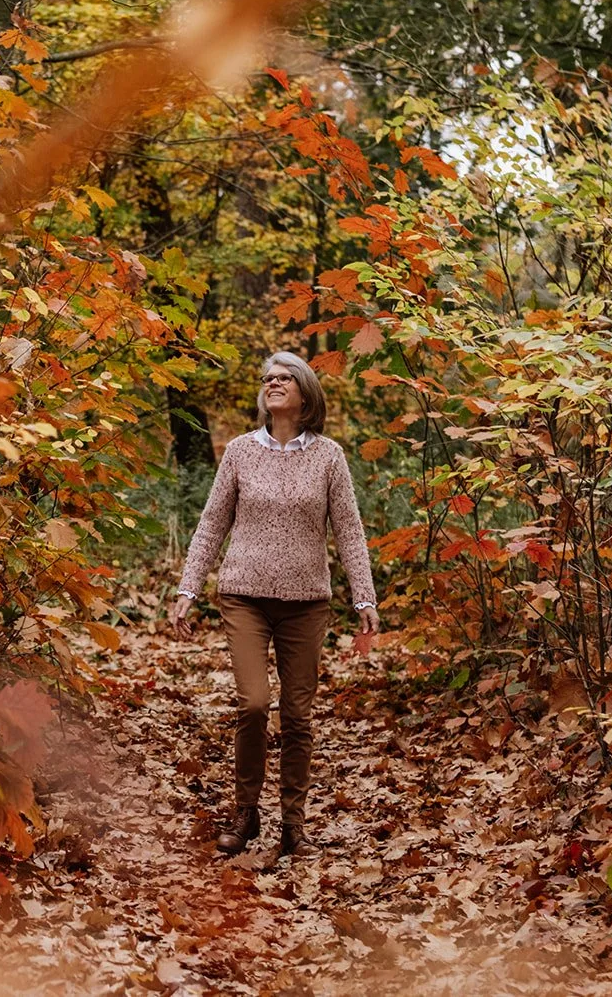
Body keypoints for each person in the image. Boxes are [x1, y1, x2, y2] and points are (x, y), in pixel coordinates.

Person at [168, 350, 379, 858]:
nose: (273, 383)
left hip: (306, 603)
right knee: (254, 704)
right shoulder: (240, 452)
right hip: (244, 596)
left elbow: (349, 531)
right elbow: (212, 523)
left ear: (305, 393)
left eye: (285, 377)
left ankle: (293, 824)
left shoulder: (329, 457)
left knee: (298, 715)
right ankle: (245, 812)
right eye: (268, 378)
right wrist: (187, 589)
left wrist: (364, 597)